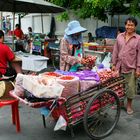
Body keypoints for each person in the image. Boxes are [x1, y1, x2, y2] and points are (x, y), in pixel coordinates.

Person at [112, 17, 140, 115]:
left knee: (130, 88)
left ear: (135, 26)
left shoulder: (138, 39)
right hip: (119, 66)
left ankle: (129, 106)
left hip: (131, 67)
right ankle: (120, 103)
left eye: (131, 25)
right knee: (119, 87)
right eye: (128, 24)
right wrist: (113, 64)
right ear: (125, 25)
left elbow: (139, 55)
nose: (129, 27)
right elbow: (115, 50)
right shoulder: (119, 36)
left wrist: (138, 69)